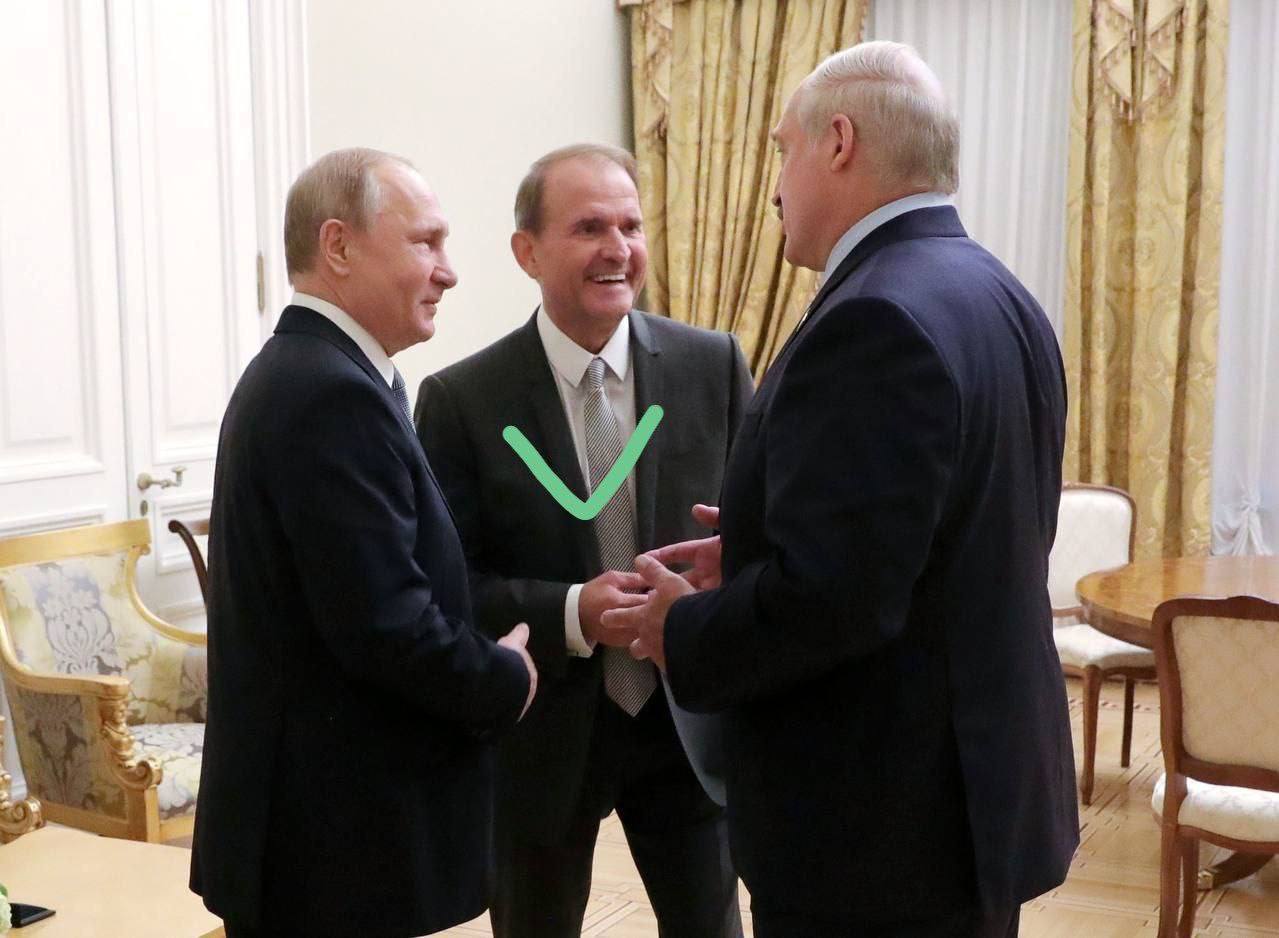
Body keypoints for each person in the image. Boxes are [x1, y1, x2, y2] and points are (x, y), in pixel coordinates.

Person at [610, 42, 1079, 937]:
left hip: (878, 833)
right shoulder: (996, 293)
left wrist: (682, 628)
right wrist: (756, 546)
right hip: (962, 799)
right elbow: (938, 537)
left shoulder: (874, 316)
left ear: (837, 141)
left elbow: (837, 601)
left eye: (780, 150)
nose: (773, 188)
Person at [191, 148, 537, 938]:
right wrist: (502, 677)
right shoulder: (329, 392)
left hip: (326, 842)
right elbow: (384, 624)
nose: (448, 271)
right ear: (338, 246)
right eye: (425, 242)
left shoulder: (324, 373)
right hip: (332, 851)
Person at [415, 143, 750, 938]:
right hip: (542, 735)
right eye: (589, 227)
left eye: (630, 226)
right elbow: (449, 589)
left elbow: (756, 533)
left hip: (686, 719)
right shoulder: (461, 400)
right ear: (526, 252)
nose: (617, 248)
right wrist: (573, 611)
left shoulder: (712, 365)